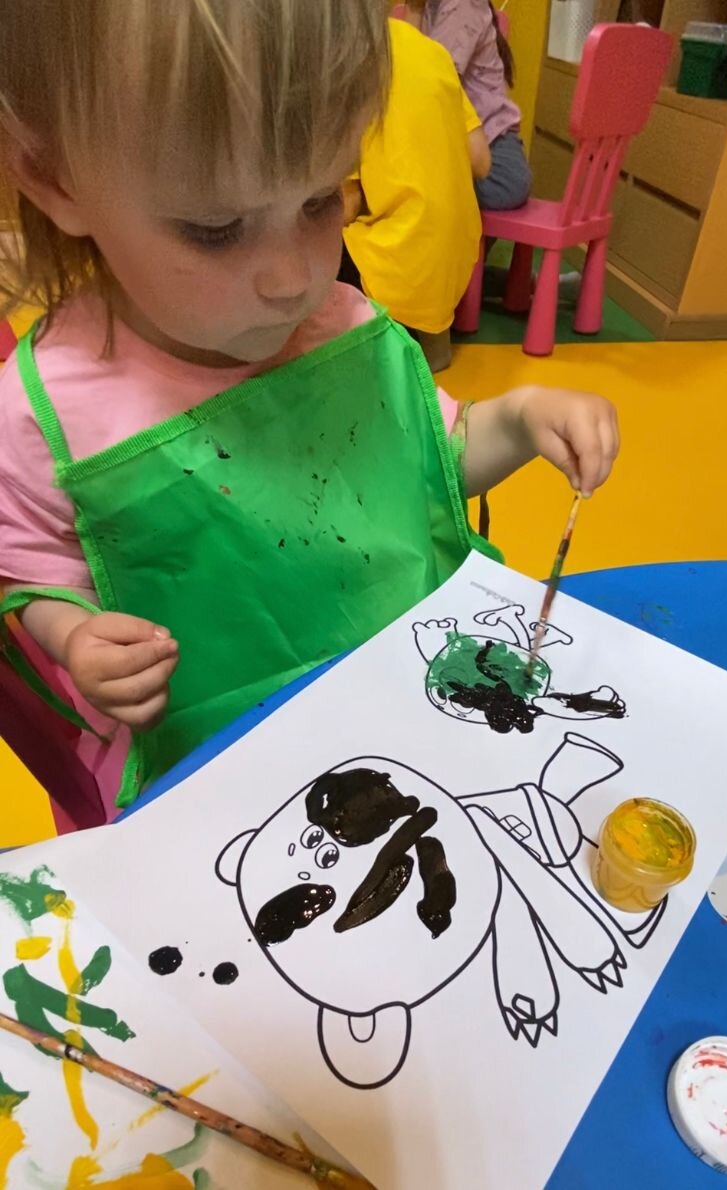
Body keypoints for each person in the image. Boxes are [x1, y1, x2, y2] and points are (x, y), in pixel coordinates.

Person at [0, 0, 618, 808]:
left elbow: (428, 458)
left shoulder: (344, 327)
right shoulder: (46, 414)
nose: (294, 278)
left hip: (407, 732)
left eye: (323, 199)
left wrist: (520, 419)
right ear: (57, 181)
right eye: (217, 228)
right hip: (214, 785)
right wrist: (74, 635)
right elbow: (31, 567)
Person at [341, 18, 490, 373]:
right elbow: (481, 161)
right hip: (457, 253)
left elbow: (346, 205)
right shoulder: (430, 49)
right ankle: (431, 336)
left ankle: (382, 341)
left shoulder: (340, 62)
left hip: (393, 264)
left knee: (315, 231)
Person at [408, 0, 532, 210]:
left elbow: (431, 84)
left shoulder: (462, 4)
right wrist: (415, 9)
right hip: (463, 152)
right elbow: (407, 64)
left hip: (495, 163)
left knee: (405, 186)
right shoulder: (431, 5)